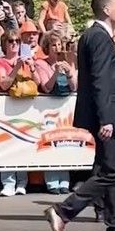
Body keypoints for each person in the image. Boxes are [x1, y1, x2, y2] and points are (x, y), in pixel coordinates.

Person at [44, 0, 115, 231]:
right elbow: (101, 79)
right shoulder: (98, 37)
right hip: (111, 115)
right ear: (107, 10)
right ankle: (62, 211)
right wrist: (106, 118)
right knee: (111, 172)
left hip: (114, 113)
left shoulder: (95, 36)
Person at [0, 31, 48, 196]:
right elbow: (4, 84)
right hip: (8, 108)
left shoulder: (26, 60)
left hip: (27, 108)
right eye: (11, 41)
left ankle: (22, 183)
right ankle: (8, 183)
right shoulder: (0, 61)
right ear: (4, 43)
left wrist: (32, 67)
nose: (14, 44)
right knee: (6, 145)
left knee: (23, 145)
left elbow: (38, 83)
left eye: (17, 41)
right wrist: (16, 67)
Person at [37, 31, 78, 195]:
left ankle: (65, 181)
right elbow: (46, 87)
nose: (57, 48)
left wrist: (69, 73)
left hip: (65, 111)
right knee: (50, 144)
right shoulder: (41, 63)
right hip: (48, 110)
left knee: (65, 143)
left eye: (59, 44)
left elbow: (74, 87)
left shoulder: (69, 62)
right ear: (47, 47)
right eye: (54, 45)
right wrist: (55, 72)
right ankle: (52, 181)